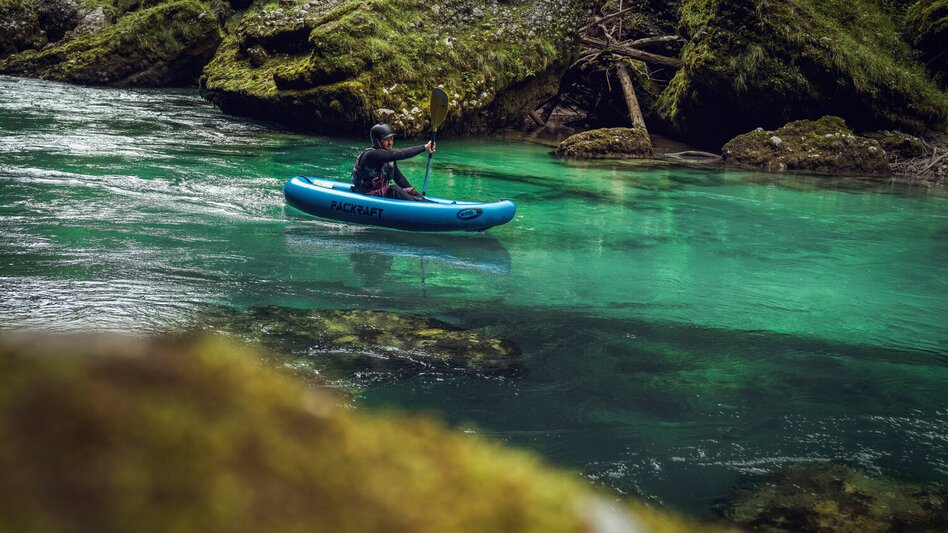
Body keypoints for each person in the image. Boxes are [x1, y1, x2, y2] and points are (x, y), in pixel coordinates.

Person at [351, 123, 435, 201]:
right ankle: (421, 211)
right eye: (386, 140)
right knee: (393, 189)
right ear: (376, 141)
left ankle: (430, 207)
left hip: (379, 194)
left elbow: (400, 179)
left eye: (391, 138)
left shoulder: (389, 160)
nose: (390, 143)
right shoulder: (371, 155)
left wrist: (413, 193)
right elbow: (398, 154)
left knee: (409, 190)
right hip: (365, 194)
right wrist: (425, 147)